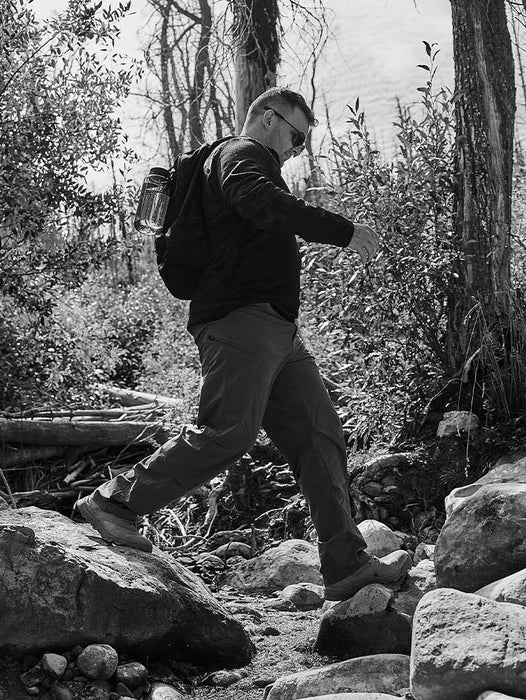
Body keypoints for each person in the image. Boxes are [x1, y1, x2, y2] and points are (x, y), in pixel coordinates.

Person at [76, 87, 411, 601]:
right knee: (228, 431)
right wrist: (341, 230)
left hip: (276, 329)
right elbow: (258, 199)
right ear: (269, 120)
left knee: (320, 436)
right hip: (241, 320)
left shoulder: (244, 159)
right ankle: (116, 500)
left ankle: (345, 565)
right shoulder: (241, 153)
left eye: (302, 144)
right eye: (296, 138)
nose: (296, 151)